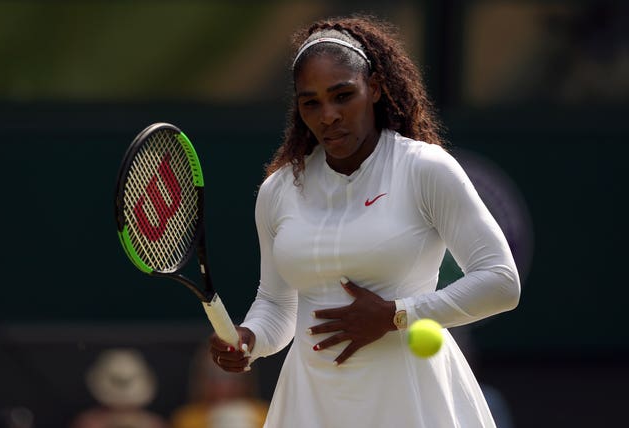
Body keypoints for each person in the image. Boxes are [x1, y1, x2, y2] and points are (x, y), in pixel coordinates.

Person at [208, 15, 521, 427]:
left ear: (373, 89)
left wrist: (396, 314)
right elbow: (277, 304)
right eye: (311, 103)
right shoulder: (279, 190)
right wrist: (250, 339)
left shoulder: (425, 168)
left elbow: (501, 282)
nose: (328, 115)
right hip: (311, 401)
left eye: (342, 96)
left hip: (412, 399)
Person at [170, 344, 268, 428]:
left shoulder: (266, 417)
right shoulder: (186, 420)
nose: (223, 385)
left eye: (231, 378)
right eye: (213, 377)